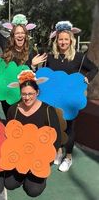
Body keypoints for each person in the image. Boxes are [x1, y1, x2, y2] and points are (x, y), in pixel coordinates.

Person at [47, 21, 98, 172]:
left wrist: (88, 78)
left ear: (71, 40)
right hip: (54, 99)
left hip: (70, 100)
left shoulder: (79, 57)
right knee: (55, 126)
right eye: (60, 39)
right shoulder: (50, 57)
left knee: (69, 128)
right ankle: (58, 151)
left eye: (66, 39)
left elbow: (94, 68)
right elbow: (45, 76)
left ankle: (68, 156)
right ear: (56, 40)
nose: (63, 42)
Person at [0, 4, 46, 117]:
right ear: (13, 35)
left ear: (26, 35)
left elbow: (32, 76)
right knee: (10, 120)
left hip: (24, 95)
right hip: (8, 93)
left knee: (23, 121)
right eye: (17, 33)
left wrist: (33, 66)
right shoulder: (6, 45)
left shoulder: (31, 51)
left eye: (22, 33)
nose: (20, 36)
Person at [6, 70, 61, 197]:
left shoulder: (48, 110)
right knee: (9, 184)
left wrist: (45, 162)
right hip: (19, 156)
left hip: (39, 158)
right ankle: (22, 173)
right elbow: (8, 136)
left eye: (30, 93)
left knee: (33, 191)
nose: (27, 97)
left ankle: (36, 177)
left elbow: (56, 140)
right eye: (24, 94)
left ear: (37, 92)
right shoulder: (13, 110)